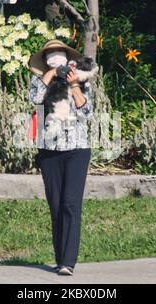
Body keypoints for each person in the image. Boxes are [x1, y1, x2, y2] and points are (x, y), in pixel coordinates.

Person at [27, 39, 94, 276]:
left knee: (70, 204)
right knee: (56, 205)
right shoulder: (38, 81)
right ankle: (60, 259)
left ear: (68, 57)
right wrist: (52, 75)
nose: (56, 57)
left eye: (59, 54)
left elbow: (87, 113)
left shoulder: (82, 79)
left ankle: (69, 262)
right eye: (50, 55)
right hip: (49, 151)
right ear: (45, 60)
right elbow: (36, 102)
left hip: (77, 149)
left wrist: (74, 84)